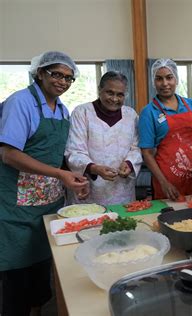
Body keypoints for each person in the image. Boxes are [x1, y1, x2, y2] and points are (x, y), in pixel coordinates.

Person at [0, 51, 89, 316]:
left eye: (69, 78)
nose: (62, 81)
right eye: (57, 74)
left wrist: (71, 177)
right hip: (16, 210)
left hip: (48, 207)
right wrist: (60, 175)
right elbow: (8, 153)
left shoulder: (61, 110)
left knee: (41, 279)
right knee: (17, 282)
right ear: (40, 72)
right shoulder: (21, 103)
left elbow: (54, 154)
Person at [65, 71, 142, 205]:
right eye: (109, 92)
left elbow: (136, 148)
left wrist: (129, 163)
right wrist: (95, 168)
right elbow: (74, 151)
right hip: (89, 189)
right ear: (100, 90)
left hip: (122, 190)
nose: (114, 99)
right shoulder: (82, 112)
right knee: (90, 224)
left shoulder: (131, 115)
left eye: (120, 94)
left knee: (123, 223)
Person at [139, 58, 192, 200]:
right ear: (153, 82)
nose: (165, 83)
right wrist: (163, 182)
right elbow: (147, 153)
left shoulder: (191, 105)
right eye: (159, 79)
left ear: (176, 79)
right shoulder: (149, 112)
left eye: (169, 78)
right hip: (167, 180)